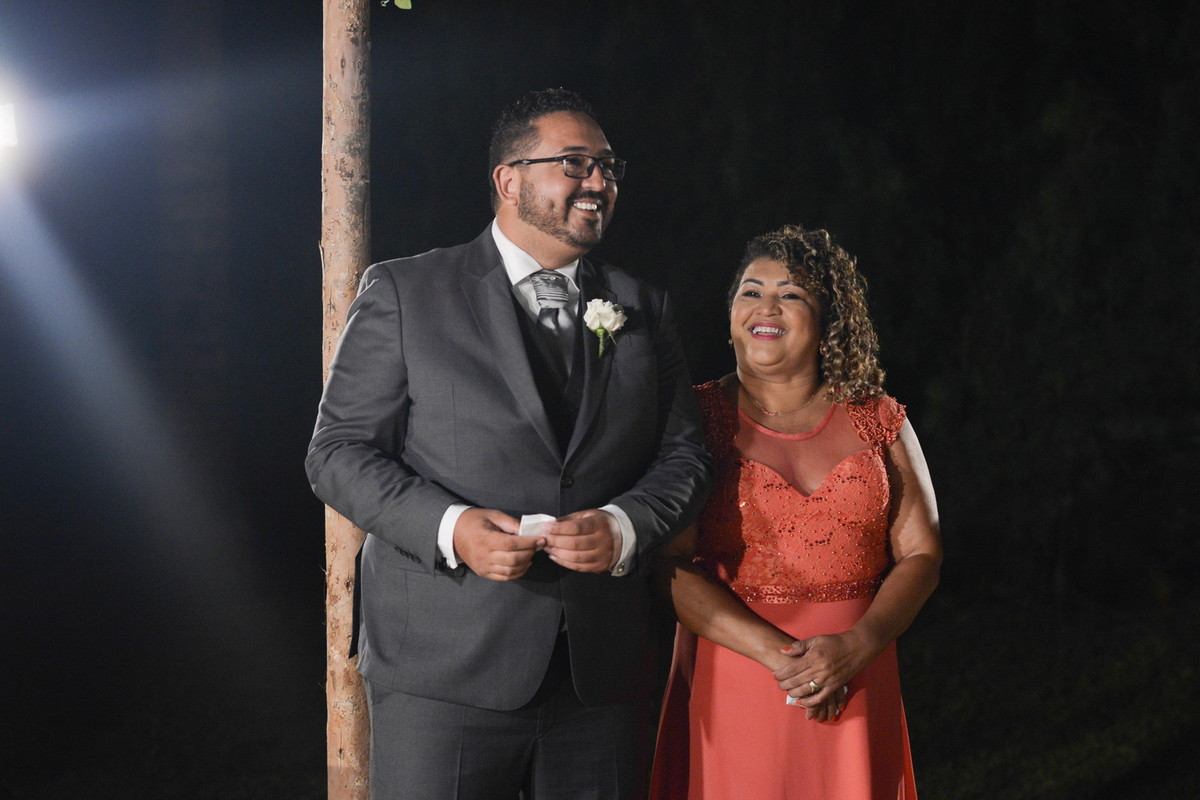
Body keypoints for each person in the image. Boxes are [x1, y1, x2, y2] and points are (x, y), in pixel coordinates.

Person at [305, 88, 713, 800]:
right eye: (575, 163)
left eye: (609, 166)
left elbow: (686, 457)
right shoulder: (406, 291)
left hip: (601, 672)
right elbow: (337, 452)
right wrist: (452, 527)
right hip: (443, 669)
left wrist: (624, 527)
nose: (599, 182)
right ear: (509, 179)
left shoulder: (642, 306)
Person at [649, 225, 942, 799]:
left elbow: (922, 554)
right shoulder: (693, 421)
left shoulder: (878, 417)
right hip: (739, 673)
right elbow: (667, 564)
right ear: (731, 315)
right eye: (751, 291)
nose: (767, 306)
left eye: (791, 294)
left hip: (859, 673)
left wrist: (858, 645)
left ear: (828, 320)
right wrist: (786, 662)